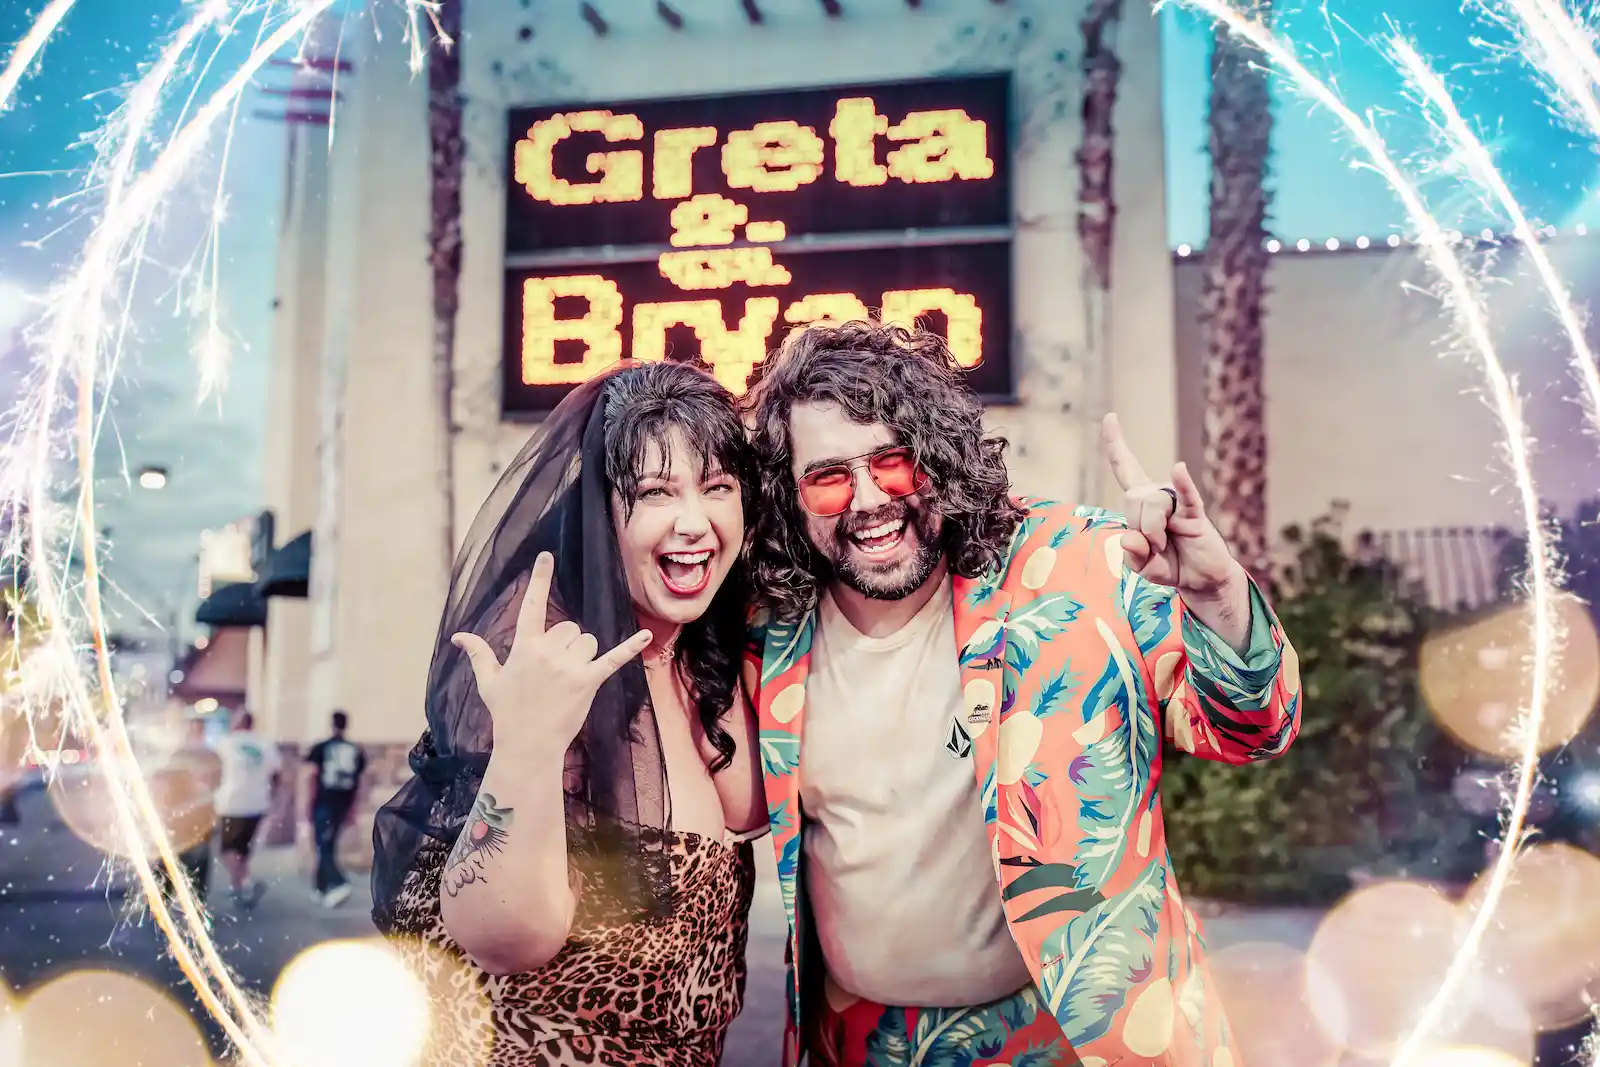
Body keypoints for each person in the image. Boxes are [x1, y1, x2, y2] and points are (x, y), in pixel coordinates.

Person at [742, 320, 1304, 1067]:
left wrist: (1217, 594)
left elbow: (1254, 727)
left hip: (1076, 1042)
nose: (869, 498)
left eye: (895, 461)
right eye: (830, 476)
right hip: (860, 1043)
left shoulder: (1088, 563)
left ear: (939, 454)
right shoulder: (769, 631)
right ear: (792, 492)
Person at [371, 361, 767, 1067]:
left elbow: (747, 807)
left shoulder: (697, 641)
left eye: (717, 489)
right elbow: (499, 934)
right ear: (600, 510)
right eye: (655, 492)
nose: (694, 522)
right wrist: (527, 743)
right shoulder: (544, 649)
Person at [210, 709, 281, 909]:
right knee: (243, 849)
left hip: (230, 804)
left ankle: (241, 886)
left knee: (227, 849)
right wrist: (271, 795)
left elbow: (213, 770)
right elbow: (277, 774)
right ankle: (241, 884)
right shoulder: (265, 744)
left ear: (237, 723)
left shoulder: (225, 744)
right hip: (257, 803)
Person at [303, 710, 366, 908]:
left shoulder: (321, 747)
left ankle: (339, 882)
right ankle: (320, 888)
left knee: (323, 844)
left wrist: (307, 803)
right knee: (327, 844)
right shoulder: (355, 750)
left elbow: (312, 776)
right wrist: (353, 807)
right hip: (343, 802)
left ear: (332, 724)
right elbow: (359, 781)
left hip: (324, 801)